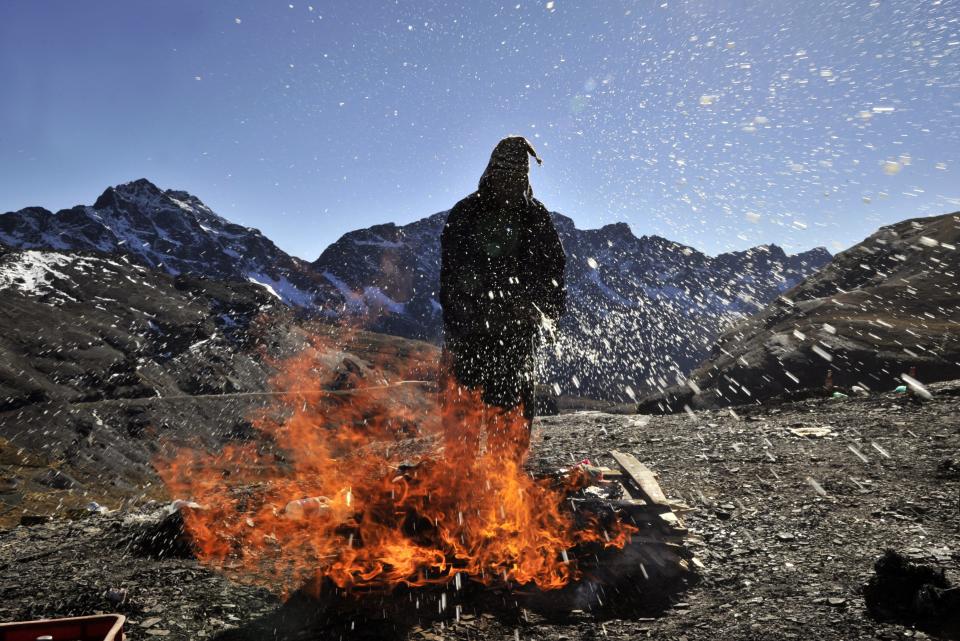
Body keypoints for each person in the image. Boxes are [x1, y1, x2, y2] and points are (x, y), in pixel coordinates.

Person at [439, 136, 566, 456]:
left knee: (509, 435)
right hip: (468, 339)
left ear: (524, 178)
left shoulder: (536, 217)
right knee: (461, 429)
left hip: (515, 341)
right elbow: (451, 279)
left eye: (516, 178)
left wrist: (539, 309)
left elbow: (554, 273)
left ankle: (505, 489)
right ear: (490, 173)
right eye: (503, 176)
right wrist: (471, 314)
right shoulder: (465, 214)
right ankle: (459, 486)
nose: (508, 185)